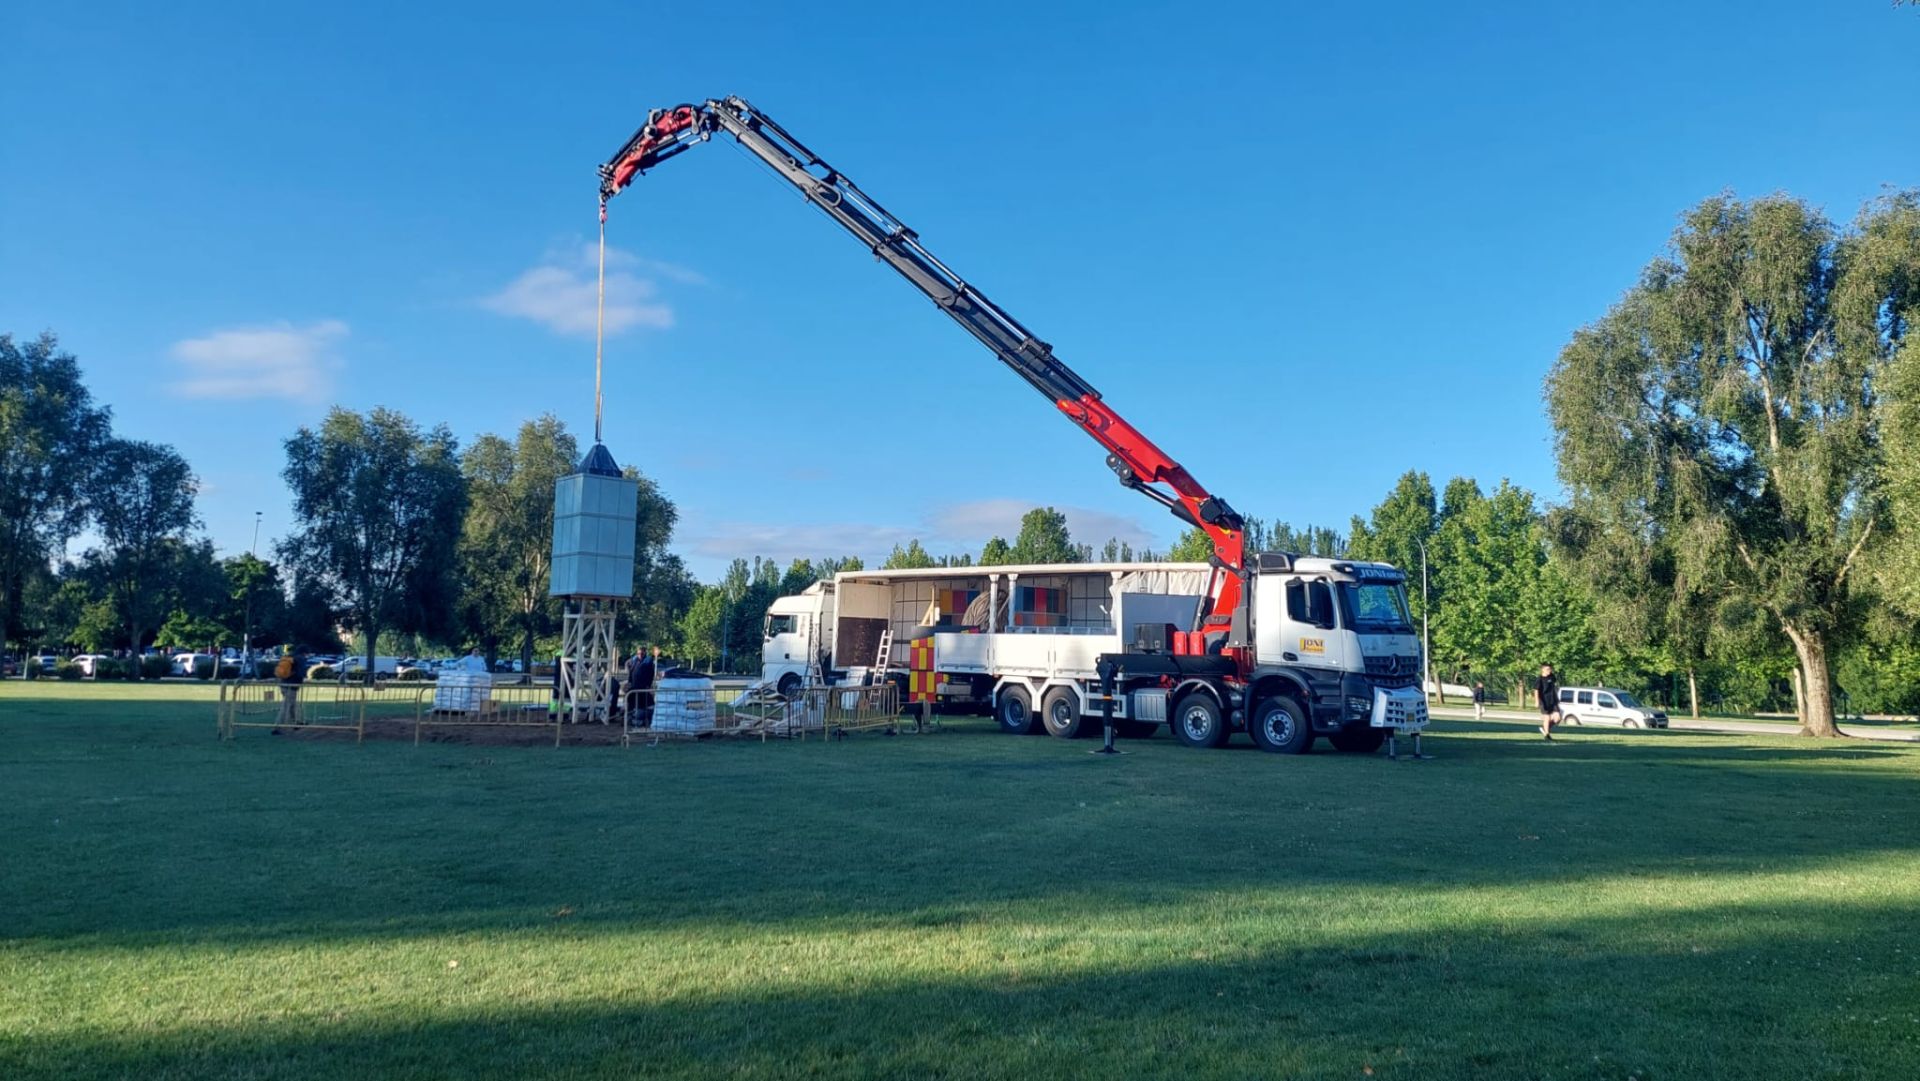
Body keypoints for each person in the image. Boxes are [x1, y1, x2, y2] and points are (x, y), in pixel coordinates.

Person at [275, 645, 305, 727]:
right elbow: (300, 673)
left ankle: (296, 722)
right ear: (304, 653)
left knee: (292, 704)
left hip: (283, 683)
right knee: (286, 705)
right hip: (292, 685)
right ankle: (277, 726)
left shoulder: (289, 657)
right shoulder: (300, 659)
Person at [626, 647, 657, 728]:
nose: (640, 655)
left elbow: (651, 675)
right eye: (638, 654)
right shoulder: (634, 661)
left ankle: (643, 719)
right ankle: (630, 718)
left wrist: (648, 685)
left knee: (644, 704)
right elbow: (631, 672)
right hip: (633, 687)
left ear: (645, 653)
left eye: (642, 654)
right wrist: (629, 682)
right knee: (631, 703)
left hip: (643, 687)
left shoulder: (648, 662)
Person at [1536, 663, 1560, 740]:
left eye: (1550, 669)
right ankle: (1547, 734)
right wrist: (1537, 701)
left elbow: (1554, 682)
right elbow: (1536, 690)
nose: (1549, 671)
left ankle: (1545, 729)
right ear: (1542, 670)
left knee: (1557, 718)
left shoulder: (1551, 677)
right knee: (1547, 717)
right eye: (1547, 669)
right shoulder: (1539, 679)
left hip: (1553, 700)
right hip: (1544, 701)